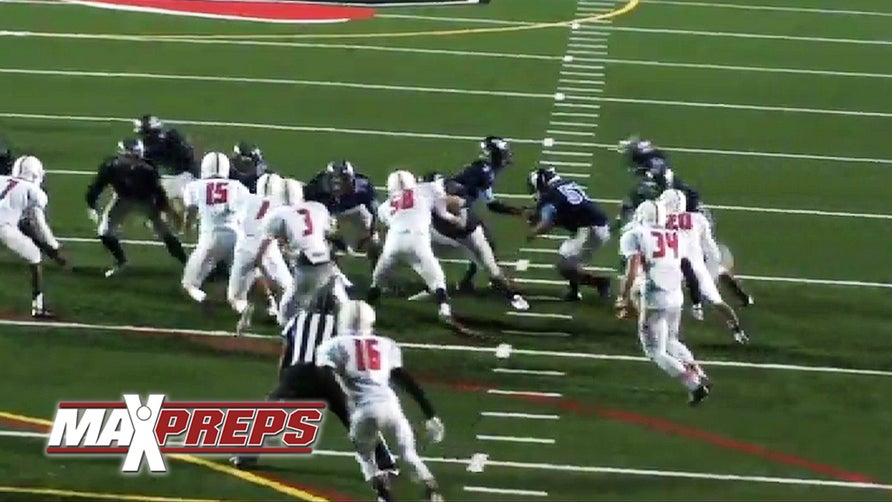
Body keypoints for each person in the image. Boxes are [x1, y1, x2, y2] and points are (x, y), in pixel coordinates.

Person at [230, 289, 398, 485]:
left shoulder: (298, 320)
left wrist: (283, 383)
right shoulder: (340, 326)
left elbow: (287, 354)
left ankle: (246, 454)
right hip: (328, 377)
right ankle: (385, 460)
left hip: (298, 373)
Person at [316, 300, 445, 502]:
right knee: (409, 455)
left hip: (363, 410)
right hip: (391, 407)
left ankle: (384, 495)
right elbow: (405, 380)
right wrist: (430, 413)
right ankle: (432, 488)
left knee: (365, 456)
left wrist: (344, 397)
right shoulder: (386, 344)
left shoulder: (332, 346)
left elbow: (324, 376)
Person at [616, 200, 710, 405]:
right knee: (672, 341)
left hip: (654, 296)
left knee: (655, 352)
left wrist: (623, 297)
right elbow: (686, 268)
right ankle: (700, 373)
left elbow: (632, 269)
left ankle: (694, 385)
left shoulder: (635, 235)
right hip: (676, 295)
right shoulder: (676, 235)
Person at [415, 172, 529, 311]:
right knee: (422, 254)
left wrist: (445, 209)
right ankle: (432, 289)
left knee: (491, 270)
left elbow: (462, 223)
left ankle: (513, 295)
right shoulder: (427, 198)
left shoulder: (453, 195)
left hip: (470, 235)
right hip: (446, 236)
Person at [86, 138, 188, 277]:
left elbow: (158, 193)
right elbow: (97, 186)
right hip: (122, 198)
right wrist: (92, 205)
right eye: (131, 156)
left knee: (165, 233)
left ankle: (187, 263)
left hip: (144, 200)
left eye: (136, 156)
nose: (134, 160)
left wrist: (163, 210)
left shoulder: (147, 170)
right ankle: (121, 262)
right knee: (104, 231)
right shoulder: (111, 167)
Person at [370, 171, 462, 324]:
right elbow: (443, 214)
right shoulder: (428, 189)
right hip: (417, 240)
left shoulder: (384, 207)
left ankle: (367, 312)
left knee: (377, 280)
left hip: (394, 242)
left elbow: (392, 220)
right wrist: (456, 219)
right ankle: (444, 311)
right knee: (437, 279)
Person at [659, 189, 748, 343]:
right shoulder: (698, 219)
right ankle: (738, 331)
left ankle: (661, 331)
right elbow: (711, 250)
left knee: (656, 297)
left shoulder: (659, 219)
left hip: (670, 265)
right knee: (716, 300)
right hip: (696, 266)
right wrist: (712, 269)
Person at [258, 179, 350, 325]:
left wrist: (262, 264)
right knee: (338, 297)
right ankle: (346, 318)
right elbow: (331, 235)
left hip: (305, 264)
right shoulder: (318, 208)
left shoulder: (277, 214)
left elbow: (269, 242)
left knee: (287, 310)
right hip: (325, 260)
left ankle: (294, 334)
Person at [527, 167, 611, 301]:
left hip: (591, 229)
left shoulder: (550, 196)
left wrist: (533, 233)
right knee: (570, 258)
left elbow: (546, 224)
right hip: (595, 226)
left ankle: (600, 283)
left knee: (564, 266)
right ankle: (574, 292)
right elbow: (567, 212)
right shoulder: (565, 185)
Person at [227, 173, 293, 334]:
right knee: (289, 288)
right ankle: (281, 315)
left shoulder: (245, 198)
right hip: (268, 246)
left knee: (235, 298)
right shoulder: (280, 205)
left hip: (244, 247)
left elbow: (232, 214)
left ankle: (250, 308)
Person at [181, 152, 250, 303]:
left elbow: (190, 213)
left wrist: (186, 228)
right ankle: (264, 306)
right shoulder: (239, 187)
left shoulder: (194, 187)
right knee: (242, 285)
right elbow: (247, 217)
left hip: (211, 238)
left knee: (189, 284)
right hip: (237, 238)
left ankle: (203, 299)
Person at [0, 156, 62, 317]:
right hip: (3, 228)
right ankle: (38, 306)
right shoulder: (34, 191)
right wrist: (54, 248)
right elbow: (38, 224)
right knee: (35, 257)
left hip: (6, 225)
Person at [304, 160, 381, 271]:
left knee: (374, 244)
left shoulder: (362, 186)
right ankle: (335, 276)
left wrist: (371, 232)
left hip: (356, 210)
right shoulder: (317, 187)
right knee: (325, 247)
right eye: (334, 181)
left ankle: (376, 278)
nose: (338, 185)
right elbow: (308, 210)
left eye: (343, 180)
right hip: (331, 214)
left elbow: (374, 211)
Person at [133, 114, 199, 231]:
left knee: (163, 207)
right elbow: (189, 154)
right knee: (181, 206)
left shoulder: (149, 150)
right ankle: (185, 224)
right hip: (188, 176)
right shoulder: (173, 136)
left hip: (170, 179)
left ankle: (177, 224)